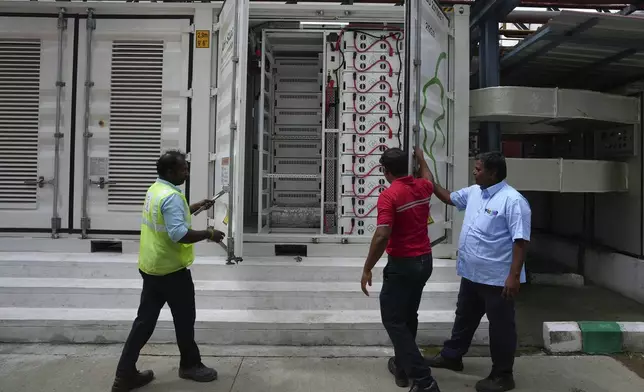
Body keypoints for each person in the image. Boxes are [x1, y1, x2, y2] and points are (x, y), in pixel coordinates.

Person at [111, 150, 226, 392]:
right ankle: (190, 365)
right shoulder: (172, 197)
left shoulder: (156, 189)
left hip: (152, 267)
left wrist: (193, 208)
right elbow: (178, 234)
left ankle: (124, 374)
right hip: (171, 271)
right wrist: (209, 234)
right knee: (184, 319)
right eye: (183, 168)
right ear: (170, 172)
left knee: (143, 322)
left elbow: (166, 219)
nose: (187, 171)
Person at [421, 149, 531, 392]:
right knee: (464, 318)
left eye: (478, 168)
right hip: (471, 274)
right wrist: (423, 165)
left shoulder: (513, 200)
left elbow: (520, 241)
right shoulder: (474, 193)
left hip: (497, 279)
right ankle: (452, 357)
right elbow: (447, 197)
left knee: (501, 327)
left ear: (493, 173)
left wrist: (513, 277)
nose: (474, 171)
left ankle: (503, 375)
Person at [360, 148, 440, 392]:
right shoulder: (423, 187)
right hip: (424, 262)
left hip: (403, 264)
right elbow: (429, 179)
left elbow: (382, 235)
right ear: (411, 167)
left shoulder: (390, 196)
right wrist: (423, 160)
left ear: (385, 171)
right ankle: (403, 368)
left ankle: (424, 380)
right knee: (408, 316)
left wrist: (367, 268)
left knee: (393, 320)